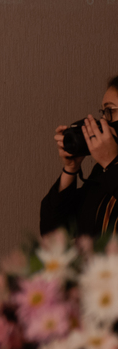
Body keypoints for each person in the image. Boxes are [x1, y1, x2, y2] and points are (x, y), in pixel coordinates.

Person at [42, 77, 118, 239]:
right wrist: (70, 169)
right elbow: (52, 232)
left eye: (110, 111)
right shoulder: (101, 171)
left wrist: (112, 164)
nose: (103, 121)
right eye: (103, 113)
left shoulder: (110, 168)